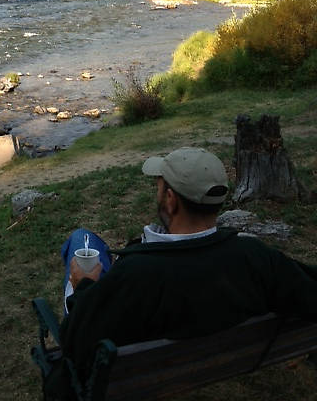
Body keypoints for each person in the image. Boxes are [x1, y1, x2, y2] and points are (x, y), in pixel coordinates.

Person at [47, 147, 317, 400]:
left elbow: (76, 339)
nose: (158, 191)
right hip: (226, 354)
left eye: (160, 185)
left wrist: (83, 287)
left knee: (81, 240)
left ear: (170, 200)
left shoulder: (135, 277)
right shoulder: (255, 256)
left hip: (133, 371)